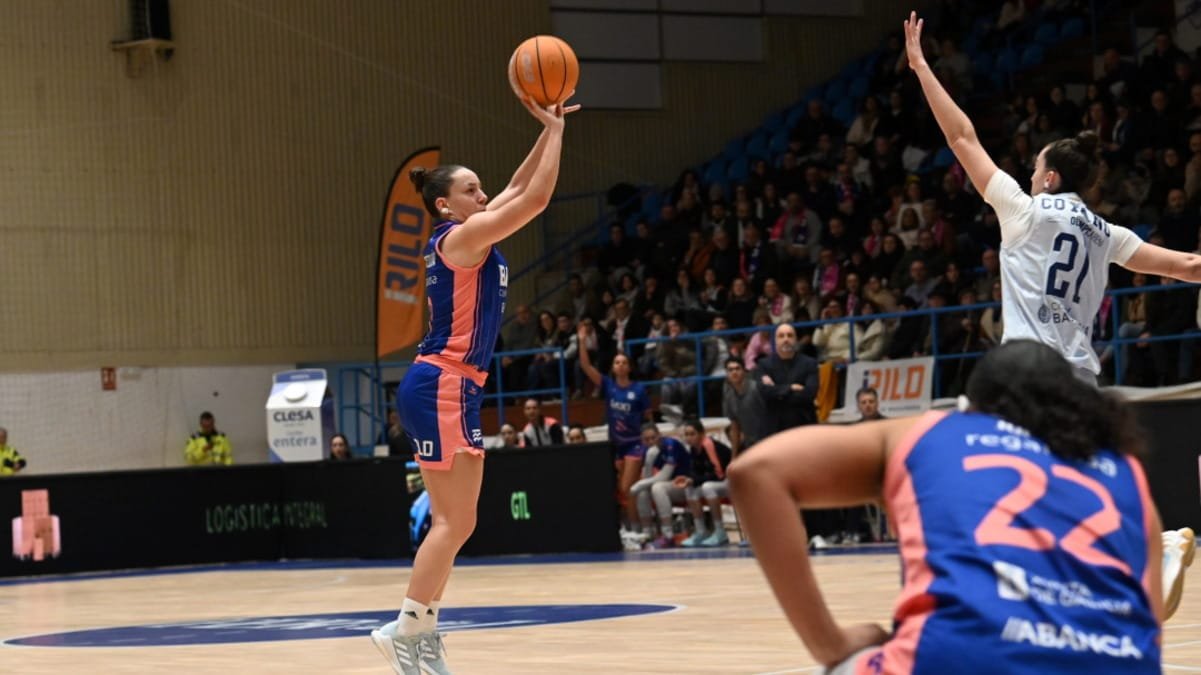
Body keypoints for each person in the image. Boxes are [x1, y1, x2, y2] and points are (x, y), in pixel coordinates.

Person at [909, 5, 1199, 622]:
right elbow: (1188, 268)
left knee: (974, 473)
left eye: (1035, 163)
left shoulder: (1024, 209)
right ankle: (1157, 545)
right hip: (1080, 376)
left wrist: (920, 67)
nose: (1029, 170)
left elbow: (962, 138)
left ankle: (984, 599)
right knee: (1072, 490)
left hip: (1026, 374)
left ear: (1048, 178)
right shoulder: (1108, 231)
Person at [731, 341, 1165, 673]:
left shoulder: (932, 431)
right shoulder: (1127, 475)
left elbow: (755, 473)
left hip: (956, 657)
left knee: (861, 652)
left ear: (972, 407)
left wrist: (829, 643)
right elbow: (1149, 626)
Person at [375, 92, 577, 675]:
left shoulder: (472, 232)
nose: (484, 196)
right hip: (441, 382)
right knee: (451, 522)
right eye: (471, 190)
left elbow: (516, 188)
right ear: (445, 205)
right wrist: (559, 137)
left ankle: (420, 632)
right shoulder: (459, 239)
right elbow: (534, 198)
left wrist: (549, 126)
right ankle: (406, 632)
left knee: (460, 522)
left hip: (449, 386)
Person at [577, 324, 653, 539]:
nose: (620, 365)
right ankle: (628, 529)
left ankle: (637, 530)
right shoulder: (609, 385)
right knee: (619, 492)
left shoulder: (638, 389)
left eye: (623, 362)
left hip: (634, 443)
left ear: (629, 367)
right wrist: (582, 341)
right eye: (616, 362)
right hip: (615, 445)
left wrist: (650, 436)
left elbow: (649, 417)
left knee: (626, 487)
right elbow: (585, 365)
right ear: (613, 367)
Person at [628, 423, 691, 549]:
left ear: (659, 435)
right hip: (670, 485)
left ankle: (668, 534)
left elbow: (664, 476)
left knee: (657, 487)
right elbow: (647, 477)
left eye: (653, 437)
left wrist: (638, 484)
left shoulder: (670, 444)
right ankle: (647, 532)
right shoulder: (649, 451)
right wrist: (649, 460)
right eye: (647, 439)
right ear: (642, 440)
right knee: (643, 492)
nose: (651, 441)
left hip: (686, 485)